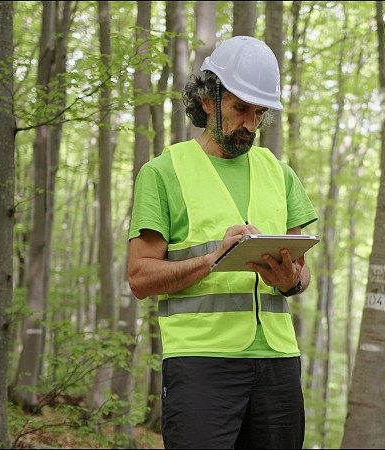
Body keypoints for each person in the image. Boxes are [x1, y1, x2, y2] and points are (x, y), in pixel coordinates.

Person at [127, 35, 317, 449]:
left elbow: (302, 279)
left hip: (278, 362)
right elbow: (140, 278)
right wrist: (214, 259)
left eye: (259, 112)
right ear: (209, 98)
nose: (250, 123)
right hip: (200, 363)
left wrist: (289, 282)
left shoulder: (280, 174)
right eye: (240, 108)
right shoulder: (162, 172)